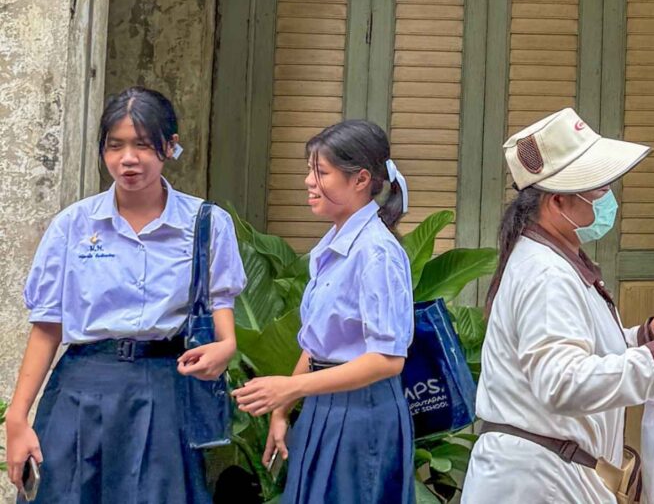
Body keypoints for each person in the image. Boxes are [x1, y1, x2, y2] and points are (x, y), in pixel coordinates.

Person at [4, 86, 246, 503]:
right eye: (115, 146)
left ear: (170, 147)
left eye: (142, 145)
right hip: (81, 390)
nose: (127, 159)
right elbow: (46, 327)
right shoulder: (73, 225)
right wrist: (17, 418)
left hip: (165, 389)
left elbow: (222, 314)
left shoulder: (207, 224)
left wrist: (224, 349)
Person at [462, 107, 654, 504]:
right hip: (536, 481)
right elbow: (562, 381)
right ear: (558, 202)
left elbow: (576, 349)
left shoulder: (553, 261)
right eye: (596, 189)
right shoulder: (546, 274)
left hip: (549, 472)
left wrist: (644, 337)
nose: (606, 199)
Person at [232, 120, 415, 504]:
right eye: (309, 171)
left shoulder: (376, 252)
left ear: (360, 179)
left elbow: (387, 359)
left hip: (363, 414)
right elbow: (318, 344)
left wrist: (292, 388)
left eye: (321, 172)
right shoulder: (332, 244)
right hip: (323, 407)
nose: (308, 181)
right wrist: (283, 407)